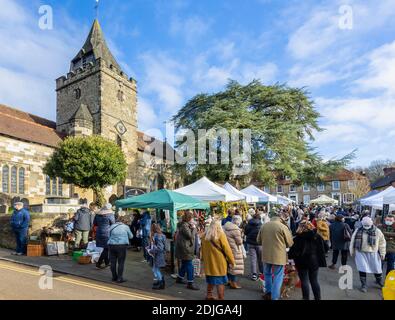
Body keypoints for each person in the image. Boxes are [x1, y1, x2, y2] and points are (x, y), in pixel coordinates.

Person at [257, 210, 294, 300]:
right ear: (280, 218)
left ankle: (268, 293)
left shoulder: (264, 226)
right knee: (278, 275)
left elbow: (258, 240)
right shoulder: (282, 226)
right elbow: (290, 243)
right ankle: (275, 297)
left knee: (267, 274)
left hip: (266, 254)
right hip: (279, 255)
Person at [289, 221, 327, 300]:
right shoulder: (317, 236)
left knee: (304, 281)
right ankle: (318, 298)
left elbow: (292, 252)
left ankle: (305, 298)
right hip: (314, 261)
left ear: (300, 227)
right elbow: (326, 247)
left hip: (302, 262)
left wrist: (291, 256)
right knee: (314, 280)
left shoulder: (298, 238)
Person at [350, 216, 386, 293]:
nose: (366, 227)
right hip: (361, 252)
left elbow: (382, 243)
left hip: (373, 252)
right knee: (362, 268)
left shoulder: (377, 231)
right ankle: (363, 285)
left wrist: (382, 253)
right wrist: (351, 251)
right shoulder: (358, 230)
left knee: (377, 268)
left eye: (368, 225)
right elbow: (352, 240)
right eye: (365, 225)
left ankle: (379, 281)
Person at [201, 219, 235, 300]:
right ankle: (221, 298)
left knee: (211, 279)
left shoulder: (205, 235)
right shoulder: (220, 234)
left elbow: (202, 249)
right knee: (220, 281)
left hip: (208, 262)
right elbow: (227, 249)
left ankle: (209, 295)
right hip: (219, 262)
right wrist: (232, 261)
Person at [175, 211, 199, 290]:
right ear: (189, 218)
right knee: (189, 265)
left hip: (183, 247)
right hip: (186, 248)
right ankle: (190, 282)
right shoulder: (184, 226)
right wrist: (194, 229)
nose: (193, 220)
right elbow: (190, 236)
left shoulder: (184, 225)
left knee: (185, 263)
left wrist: (192, 227)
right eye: (192, 218)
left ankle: (179, 278)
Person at [108, 215, 133, 283]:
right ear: (124, 221)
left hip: (111, 245)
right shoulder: (126, 227)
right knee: (121, 262)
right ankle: (119, 278)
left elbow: (108, 235)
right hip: (121, 246)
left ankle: (114, 277)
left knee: (113, 262)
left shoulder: (112, 226)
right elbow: (131, 236)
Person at [223, 215, 244, 289]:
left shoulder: (225, 227)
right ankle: (233, 283)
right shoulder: (236, 229)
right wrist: (241, 235)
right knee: (234, 266)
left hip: (227, 248)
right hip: (234, 250)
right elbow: (239, 242)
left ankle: (229, 281)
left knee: (229, 265)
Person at [93, 203, 115, 269]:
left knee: (105, 248)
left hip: (99, 232)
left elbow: (95, 223)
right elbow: (113, 223)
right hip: (107, 233)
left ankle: (107, 263)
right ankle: (99, 263)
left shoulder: (97, 214)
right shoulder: (110, 215)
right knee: (107, 248)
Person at [244, 213, 263, 281]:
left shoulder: (248, 224)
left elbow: (245, 233)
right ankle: (261, 272)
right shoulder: (261, 225)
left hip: (250, 243)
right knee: (260, 258)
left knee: (253, 259)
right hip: (259, 244)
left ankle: (254, 274)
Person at [149, 224, 167, 290]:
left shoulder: (158, 237)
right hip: (160, 255)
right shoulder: (162, 235)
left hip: (158, 255)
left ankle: (161, 283)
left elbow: (160, 248)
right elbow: (165, 247)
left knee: (156, 269)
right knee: (155, 268)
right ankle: (161, 281)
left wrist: (151, 250)